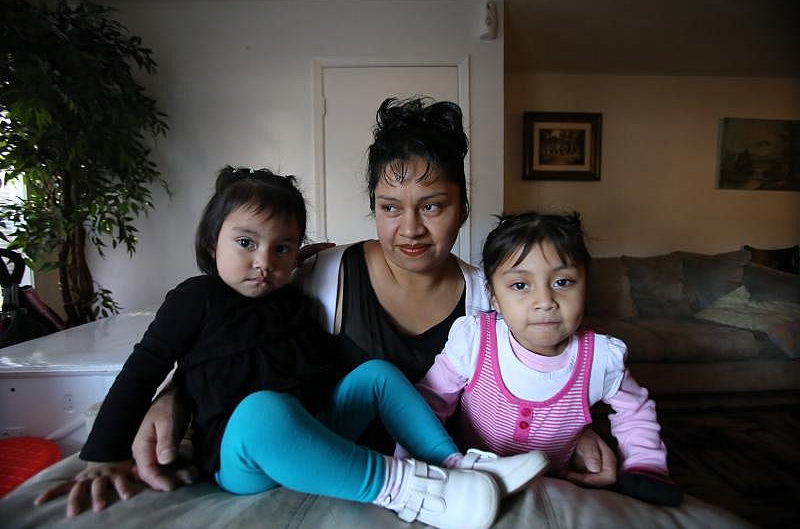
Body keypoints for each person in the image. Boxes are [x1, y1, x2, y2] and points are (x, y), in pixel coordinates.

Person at [130, 97, 617, 493]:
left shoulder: (490, 300)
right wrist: (174, 396)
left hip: (441, 472)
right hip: (315, 468)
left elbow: (542, 373)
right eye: (390, 207)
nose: (410, 229)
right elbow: (235, 341)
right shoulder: (321, 273)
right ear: (374, 208)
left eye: (432, 206)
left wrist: (580, 432)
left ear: (462, 208)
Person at [34, 167, 550, 528]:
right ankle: (412, 491)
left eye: (282, 248)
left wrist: (299, 263)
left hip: (316, 428)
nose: (264, 261)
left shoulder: (296, 300)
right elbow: (142, 369)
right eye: (245, 243)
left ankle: (454, 466)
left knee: (377, 373)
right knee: (263, 409)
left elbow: (322, 367)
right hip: (242, 456)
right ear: (211, 241)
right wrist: (102, 454)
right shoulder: (195, 300)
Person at [406, 211, 683, 506]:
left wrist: (645, 464)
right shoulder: (475, 341)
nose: (545, 301)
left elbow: (635, 411)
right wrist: (416, 462)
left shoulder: (601, 359)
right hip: (470, 482)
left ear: (585, 286)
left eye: (563, 282)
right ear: (494, 297)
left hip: (554, 489)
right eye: (521, 286)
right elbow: (431, 400)